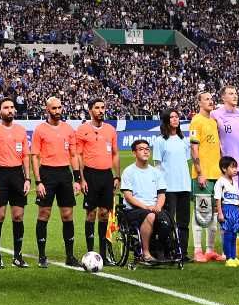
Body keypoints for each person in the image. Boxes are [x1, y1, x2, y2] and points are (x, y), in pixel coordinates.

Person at [0, 98, 30, 268]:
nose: (10, 110)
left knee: (18, 216)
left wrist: (27, 179)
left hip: (17, 175)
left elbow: (25, 156)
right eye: (6, 107)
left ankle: (18, 256)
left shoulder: (21, 131)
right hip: (0, 174)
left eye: (12, 107)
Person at [30, 94, 78, 267]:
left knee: (67, 215)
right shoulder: (40, 130)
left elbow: (73, 155)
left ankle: (70, 256)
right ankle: (42, 256)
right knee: (44, 214)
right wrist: (38, 181)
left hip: (65, 174)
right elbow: (34, 157)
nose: (57, 111)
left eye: (59, 107)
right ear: (47, 109)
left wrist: (77, 179)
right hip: (47, 174)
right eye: (54, 108)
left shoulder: (68, 129)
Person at [72, 98, 119, 261]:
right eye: (97, 108)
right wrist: (80, 179)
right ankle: (91, 253)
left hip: (106, 175)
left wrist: (117, 176)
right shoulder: (82, 130)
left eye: (103, 107)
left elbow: (115, 153)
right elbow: (77, 155)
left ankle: (104, 254)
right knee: (91, 213)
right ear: (90, 111)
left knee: (105, 214)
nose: (101, 110)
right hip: (90, 175)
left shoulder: (111, 130)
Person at [149, 107, 193, 263]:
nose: (175, 119)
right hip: (169, 187)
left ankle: (182, 251)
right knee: (168, 222)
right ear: (166, 120)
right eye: (172, 117)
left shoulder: (183, 140)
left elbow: (186, 161)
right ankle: (167, 250)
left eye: (177, 117)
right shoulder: (161, 141)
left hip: (184, 186)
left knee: (183, 222)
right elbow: (158, 165)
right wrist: (160, 186)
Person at [117, 139, 167, 264]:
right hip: (133, 210)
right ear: (134, 153)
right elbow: (128, 196)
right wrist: (146, 207)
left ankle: (161, 250)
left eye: (147, 149)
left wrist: (158, 206)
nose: (145, 152)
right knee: (150, 216)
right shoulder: (128, 172)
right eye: (141, 149)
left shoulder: (156, 172)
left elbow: (161, 194)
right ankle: (145, 253)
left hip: (153, 208)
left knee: (166, 220)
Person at [188, 91, 223, 262]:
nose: (211, 101)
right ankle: (197, 250)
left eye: (211, 98)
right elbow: (194, 149)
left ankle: (210, 249)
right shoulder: (196, 121)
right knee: (201, 212)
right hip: (204, 176)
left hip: (216, 175)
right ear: (199, 103)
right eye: (207, 99)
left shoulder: (213, 121)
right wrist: (200, 173)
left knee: (215, 213)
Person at [216, 156, 239, 266]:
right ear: (224, 168)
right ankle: (228, 259)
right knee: (228, 234)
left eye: (236, 167)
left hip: (235, 210)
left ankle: (234, 257)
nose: (235, 170)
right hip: (226, 209)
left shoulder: (235, 182)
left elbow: (237, 199)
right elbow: (218, 198)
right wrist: (220, 213)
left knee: (234, 234)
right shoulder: (220, 182)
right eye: (232, 167)